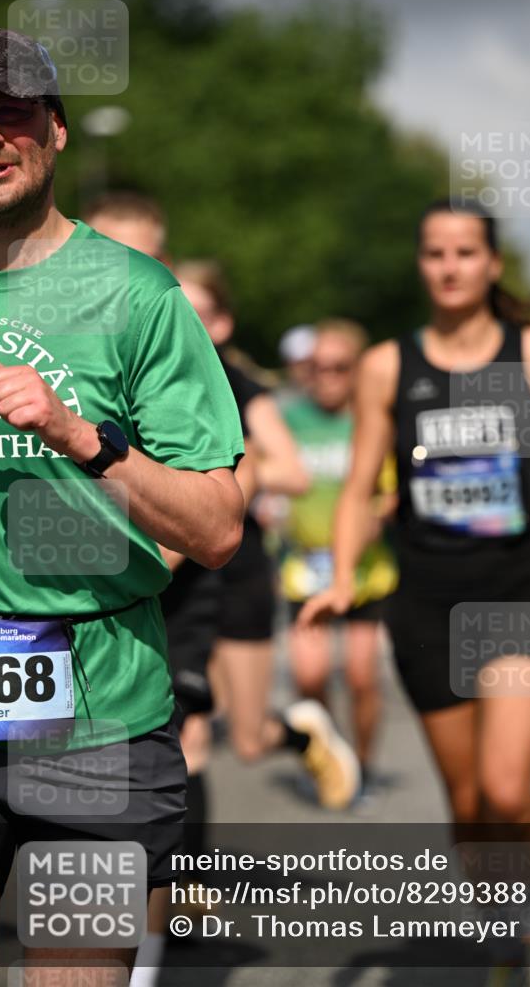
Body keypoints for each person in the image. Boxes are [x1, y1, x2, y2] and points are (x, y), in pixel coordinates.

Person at [0, 29, 244, 987]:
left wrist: (82, 438)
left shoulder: (137, 298)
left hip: (96, 728)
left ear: (51, 130)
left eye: (7, 111)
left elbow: (216, 527)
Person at [300, 199, 530, 984]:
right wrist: (336, 580)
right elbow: (362, 486)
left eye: (465, 252)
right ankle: (503, 929)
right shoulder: (388, 367)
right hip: (424, 605)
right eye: (434, 253)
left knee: (506, 789)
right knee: (468, 806)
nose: (450, 266)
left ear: (491, 264)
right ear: (421, 264)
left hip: (515, 594)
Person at [172, 261, 361, 811]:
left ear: (224, 324)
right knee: (186, 732)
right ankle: (185, 887)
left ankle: (301, 735)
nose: (181, 319)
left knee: (249, 740)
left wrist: (224, 468)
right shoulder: (139, 373)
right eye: (171, 304)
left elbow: (294, 472)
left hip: (235, 572)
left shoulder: (238, 386)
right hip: (174, 577)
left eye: (198, 311)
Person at [281, 319, 398, 796]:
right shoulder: (289, 417)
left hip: (366, 570)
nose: (326, 376)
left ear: (358, 370)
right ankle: (334, 754)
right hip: (305, 566)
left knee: (360, 675)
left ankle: (363, 765)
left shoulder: (371, 421)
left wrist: (377, 513)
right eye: (316, 367)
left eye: (339, 368)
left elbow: (392, 489)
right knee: (309, 676)